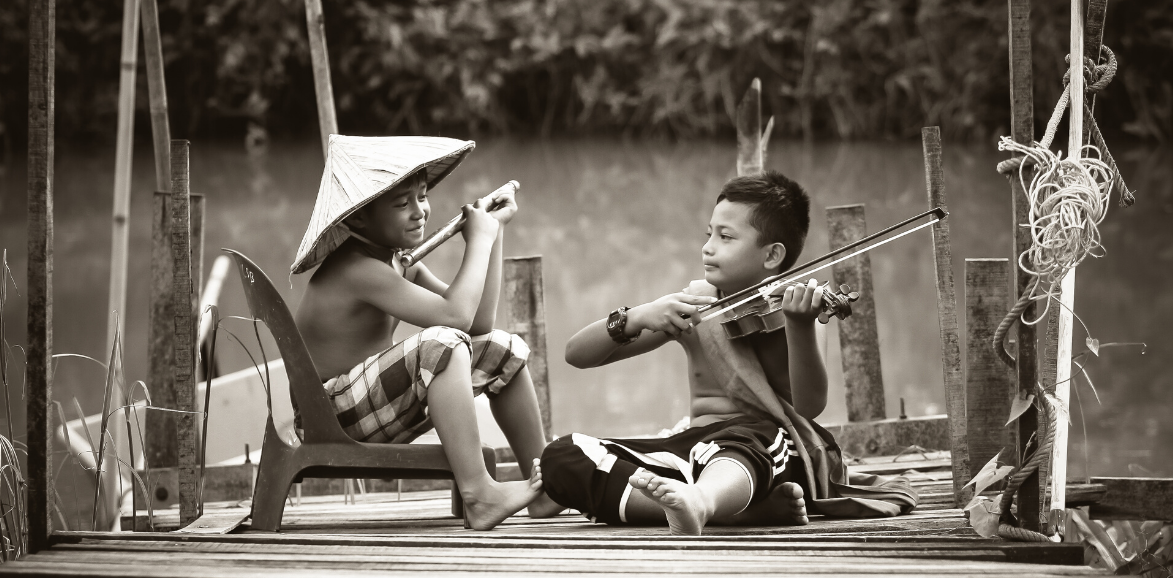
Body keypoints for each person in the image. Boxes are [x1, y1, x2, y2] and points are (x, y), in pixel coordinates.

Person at [539, 170, 917, 535]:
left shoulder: (795, 311)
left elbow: (809, 407)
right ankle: (723, 511)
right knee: (563, 456)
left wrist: (800, 327)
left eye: (726, 237)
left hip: (768, 451)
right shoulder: (693, 306)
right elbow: (578, 354)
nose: (708, 247)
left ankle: (704, 501)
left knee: (754, 436)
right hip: (694, 451)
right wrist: (637, 316)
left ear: (771, 256)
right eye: (709, 234)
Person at [291, 135, 560, 530]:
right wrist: (478, 242)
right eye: (402, 204)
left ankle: (549, 488)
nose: (420, 212)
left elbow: (478, 325)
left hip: (371, 406)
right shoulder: (355, 269)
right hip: (331, 414)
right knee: (442, 344)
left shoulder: (399, 262)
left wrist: (493, 233)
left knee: (502, 349)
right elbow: (455, 319)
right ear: (360, 218)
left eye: (422, 196)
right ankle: (479, 493)